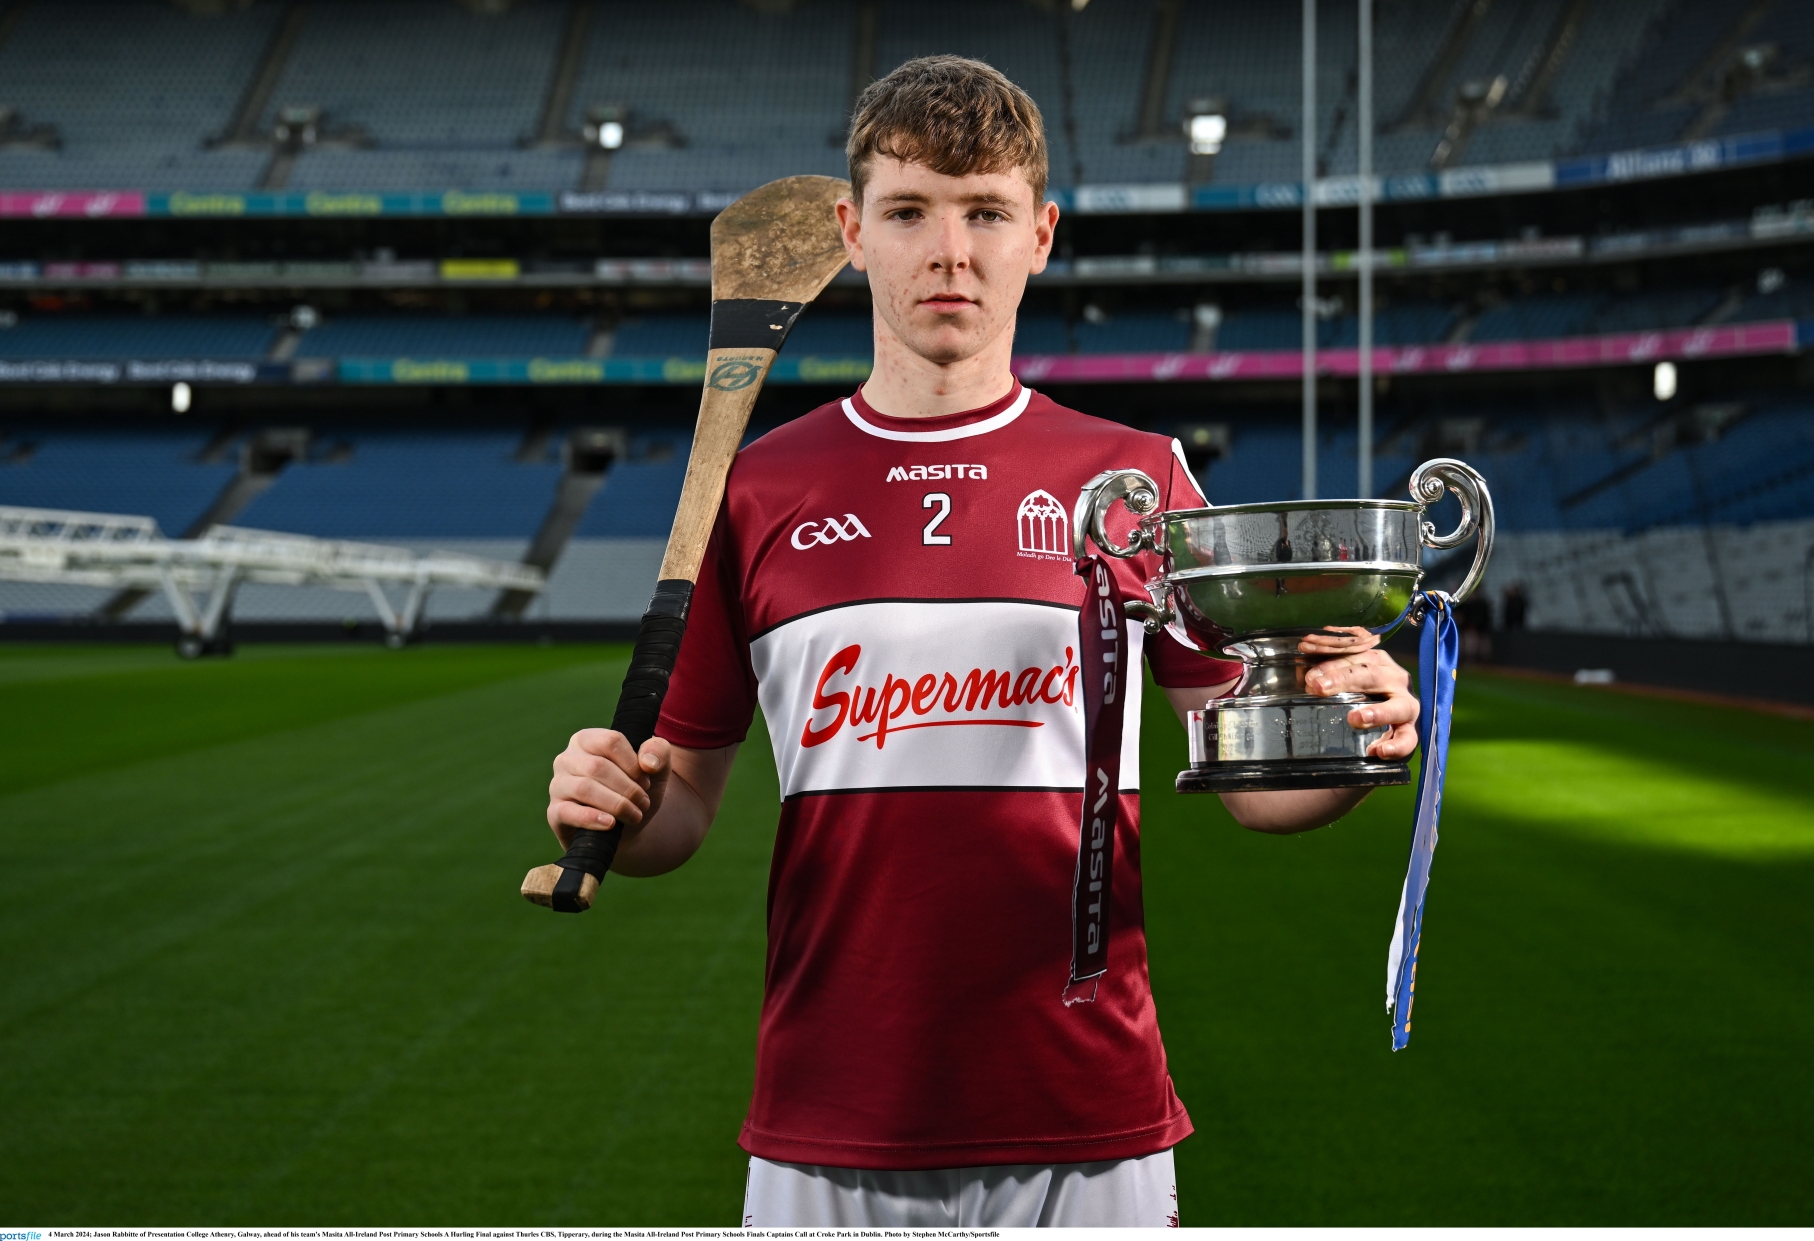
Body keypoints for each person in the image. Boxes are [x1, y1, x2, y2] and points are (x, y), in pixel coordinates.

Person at [543, 55, 1421, 1229]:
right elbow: (683, 805)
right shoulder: (752, 488)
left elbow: (1256, 788)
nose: (949, 252)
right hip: (830, 1111)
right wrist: (620, 804)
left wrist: (1348, 740)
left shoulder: (1137, 480)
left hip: (1085, 1113)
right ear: (852, 233)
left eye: (987, 213)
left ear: (1041, 235)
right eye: (909, 211)